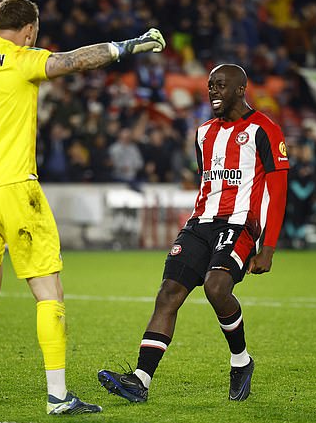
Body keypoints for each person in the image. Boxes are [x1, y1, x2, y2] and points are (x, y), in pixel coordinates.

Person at [0, 0, 165, 416]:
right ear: (29, 29)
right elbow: (75, 61)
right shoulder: (22, 59)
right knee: (49, 293)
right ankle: (57, 396)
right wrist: (128, 46)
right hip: (15, 190)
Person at [98, 64, 289, 403]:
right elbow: (207, 181)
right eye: (210, 85)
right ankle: (140, 380)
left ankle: (240, 361)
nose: (213, 90)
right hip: (199, 224)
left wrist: (268, 247)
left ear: (241, 89)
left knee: (217, 287)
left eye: (221, 85)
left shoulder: (265, 129)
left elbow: (279, 189)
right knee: (168, 292)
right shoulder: (203, 133)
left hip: (239, 224)